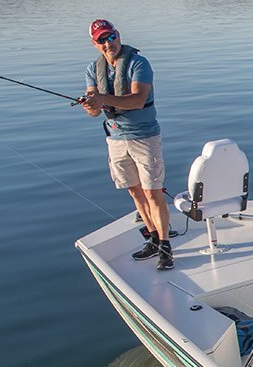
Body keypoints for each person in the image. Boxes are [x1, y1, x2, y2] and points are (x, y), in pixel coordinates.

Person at [79, 19, 173, 270]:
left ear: (118, 35)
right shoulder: (92, 69)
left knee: (153, 192)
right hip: (116, 139)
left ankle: (166, 247)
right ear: (95, 44)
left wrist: (101, 98)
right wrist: (90, 105)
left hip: (144, 137)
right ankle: (153, 238)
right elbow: (94, 111)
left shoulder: (139, 63)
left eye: (111, 37)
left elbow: (138, 100)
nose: (108, 43)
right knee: (134, 191)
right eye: (102, 40)